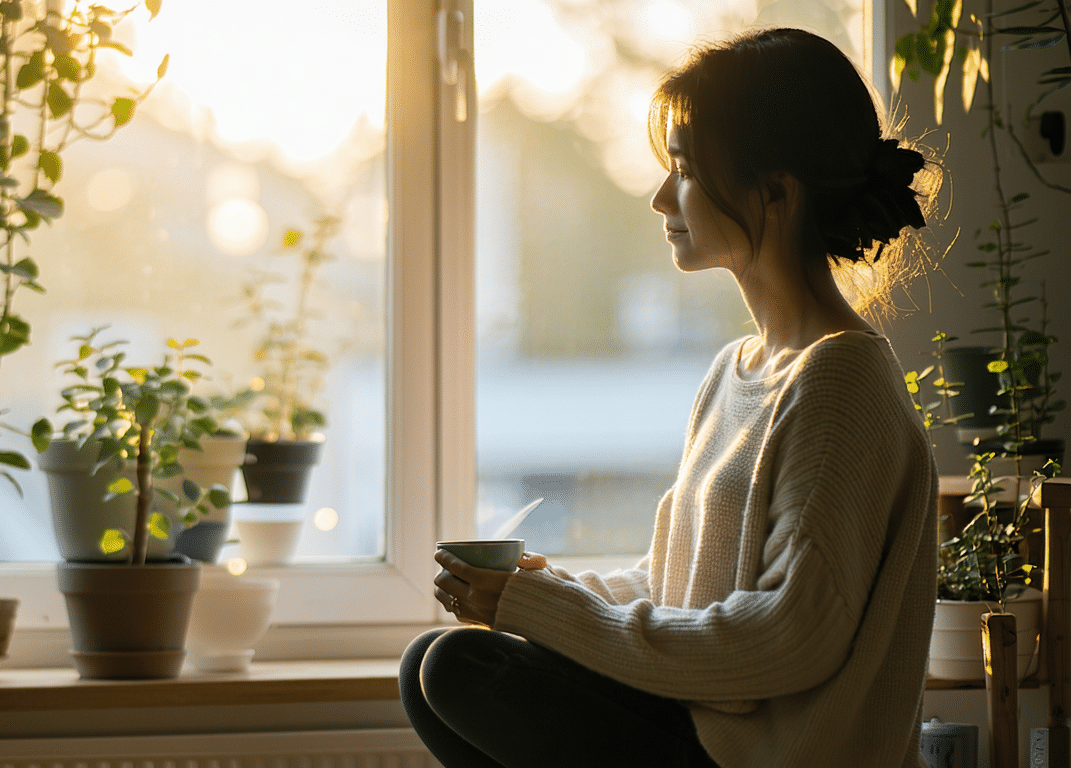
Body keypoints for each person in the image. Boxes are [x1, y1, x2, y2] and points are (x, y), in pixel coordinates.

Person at [399, 27, 939, 768]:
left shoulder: (839, 383)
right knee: (431, 662)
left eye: (683, 169)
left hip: (764, 756)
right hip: (704, 729)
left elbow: (792, 637)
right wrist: (545, 591)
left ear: (776, 191)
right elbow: (676, 586)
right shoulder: (737, 370)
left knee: (458, 671)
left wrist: (545, 612)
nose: (659, 197)